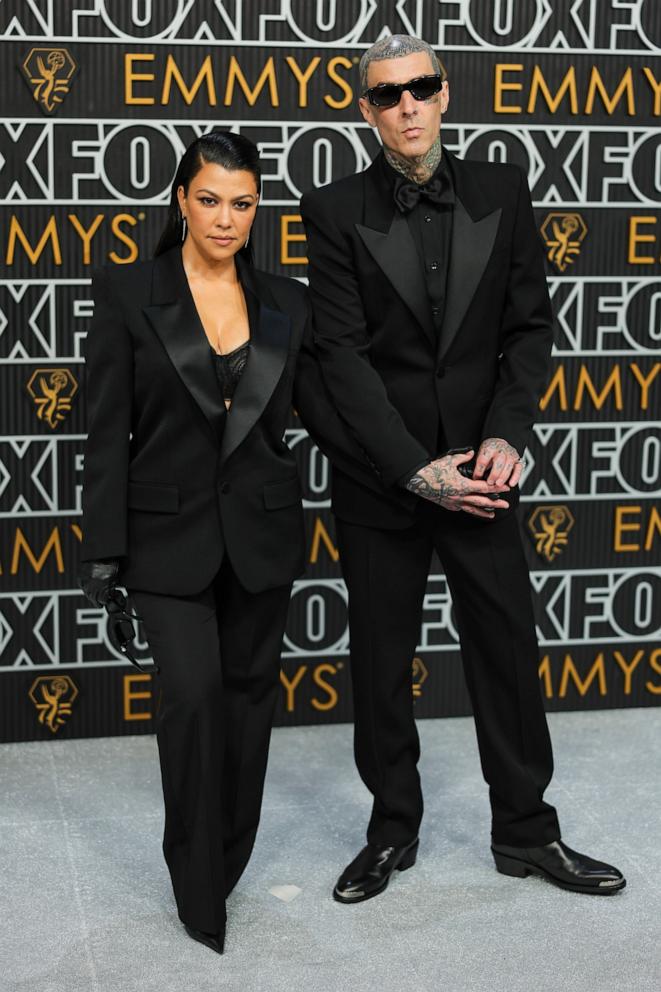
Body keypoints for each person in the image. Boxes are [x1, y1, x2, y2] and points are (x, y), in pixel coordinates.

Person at [300, 35, 625, 903]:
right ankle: (389, 832)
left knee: (507, 656)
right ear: (364, 110)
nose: (406, 105)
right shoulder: (329, 210)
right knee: (379, 663)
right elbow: (340, 358)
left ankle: (526, 832)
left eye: (421, 88)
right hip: (384, 479)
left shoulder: (501, 190)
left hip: (484, 479)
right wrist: (413, 469)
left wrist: (508, 437)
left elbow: (528, 330)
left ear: (445, 95)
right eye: (387, 94)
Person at [78, 131, 376, 953]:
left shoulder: (288, 301)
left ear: (255, 211)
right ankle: (195, 882)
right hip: (163, 540)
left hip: (262, 535)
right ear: (181, 200)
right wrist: (103, 558)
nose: (224, 218)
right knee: (194, 700)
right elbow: (104, 435)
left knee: (249, 708)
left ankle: (227, 859)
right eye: (208, 199)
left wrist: (415, 467)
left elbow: (329, 413)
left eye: (241, 203)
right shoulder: (128, 290)